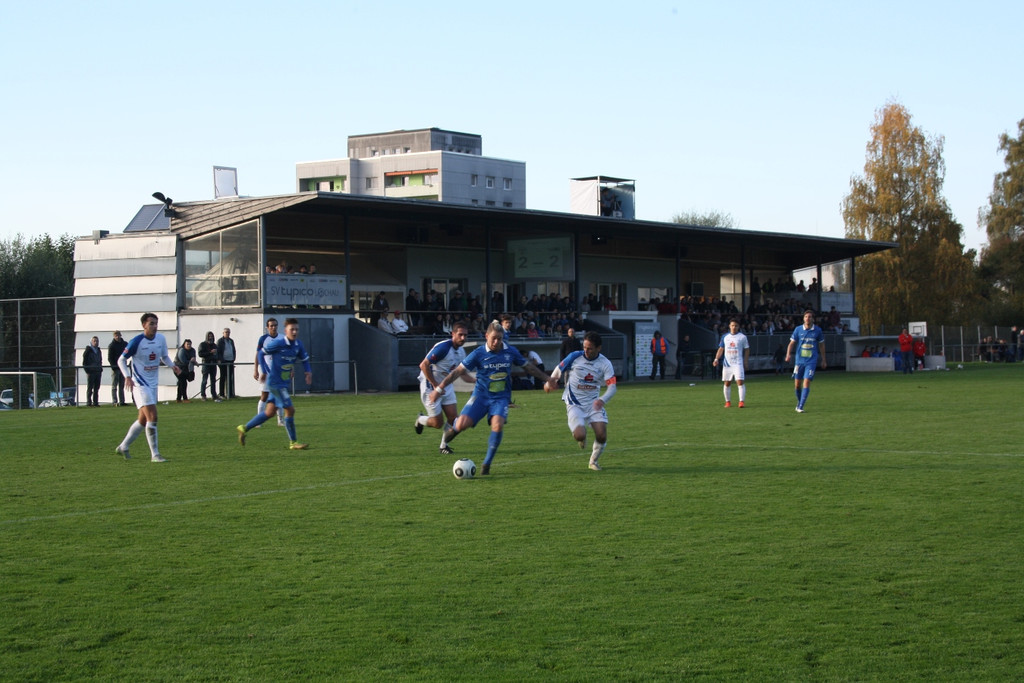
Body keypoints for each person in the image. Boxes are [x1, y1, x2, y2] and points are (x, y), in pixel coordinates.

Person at [428, 321, 552, 476]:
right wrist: (439, 389)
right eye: (494, 338)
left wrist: (547, 379)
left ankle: (486, 464)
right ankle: (453, 431)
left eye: (500, 339)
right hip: (480, 396)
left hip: (500, 398)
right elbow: (457, 372)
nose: (496, 342)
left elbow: (529, 367)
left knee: (497, 425)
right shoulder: (478, 353)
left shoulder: (510, 351)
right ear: (486, 336)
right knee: (461, 424)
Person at [545, 331, 617, 471]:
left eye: (590, 348)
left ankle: (593, 462)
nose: (586, 351)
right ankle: (581, 438)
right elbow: (559, 369)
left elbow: (612, 387)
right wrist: (550, 383)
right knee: (579, 435)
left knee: (602, 435)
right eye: (584, 347)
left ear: (598, 348)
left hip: (593, 404)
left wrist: (602, 400)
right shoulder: (575, 356)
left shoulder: (605, 363)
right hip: (574, 403)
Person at [237, 318, 312, 450]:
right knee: (290, 410)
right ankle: (293, 442)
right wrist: (264, 371)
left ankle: (244, 428)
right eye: (292, 329)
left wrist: (308, 371)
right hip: (275, 383)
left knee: (270, 412)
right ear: (286, 331)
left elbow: (305, 359)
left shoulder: (298, 344)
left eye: (296, 329)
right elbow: (261, 353)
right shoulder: (279, 343)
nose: (295, 332)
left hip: (282, 383)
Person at [115, 313, 181, 462]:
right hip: (140, 384)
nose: (155, 326)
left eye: (156, 323)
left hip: (152, 384)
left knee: (143, 420)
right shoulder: (136, 341)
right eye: (151, 323)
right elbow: (121, 360)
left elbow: (164, 356)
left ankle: (123, 446)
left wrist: (173, 366)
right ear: (144, 325)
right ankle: (155, 455)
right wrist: (127, 376)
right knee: (153, 416)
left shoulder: (161, 339)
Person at [414, 321, 469, 455]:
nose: (463, 338)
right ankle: (420, 420)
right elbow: (423, 365)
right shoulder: (443, 348)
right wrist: (435, 385)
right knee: (437, 423)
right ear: (453, 334)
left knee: (453, 418)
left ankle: (444, 446)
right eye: (460, 335)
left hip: (446, 386)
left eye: (465, 335)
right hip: (430, 386)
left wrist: (477, 381)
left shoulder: (461, 351)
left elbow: (462, 373)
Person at [785, 309, 827, 413]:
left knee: (807, 381)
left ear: (813, 319)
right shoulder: (798, 329)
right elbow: (791, 343)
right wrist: (788, 354)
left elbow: (821, 345)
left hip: (811, 361)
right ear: (803, 318)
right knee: (797, 384)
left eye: (810, 317)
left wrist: (823, 359)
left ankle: (801, 406)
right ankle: (799, 403)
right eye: (806, 317)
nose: (808, 318)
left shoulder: (817, 330)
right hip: (799, 361)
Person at [713, 319, 750, 408]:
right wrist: (716, 359)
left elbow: (747, 349)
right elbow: (721, 349)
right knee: (727, 383)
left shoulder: (742, 337)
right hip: (727, 364)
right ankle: (728, 402)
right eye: (732, 325)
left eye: (736, 326)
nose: (734, 327)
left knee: (740, 381)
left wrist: (745, 361)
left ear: (738, 327)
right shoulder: (725, 337)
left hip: (738, 363)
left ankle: (741, 402)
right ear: (729, 326)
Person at [254, 318, 284, 426]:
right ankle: (259, 422)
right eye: (271, 326)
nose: (274, 327)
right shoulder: (263, 339)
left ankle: (280, 421)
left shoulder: (282, 338)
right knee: (264, 396)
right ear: (267, 327)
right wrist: (256, 370)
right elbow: (258, 355)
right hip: (266, 372)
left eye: (275, 325)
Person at [107, 331, 128, 406]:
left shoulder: (124, 344)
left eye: (118, 335)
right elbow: (110, 358)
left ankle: (122, 401)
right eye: (116, 336)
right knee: (114, 386)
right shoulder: (111, 345)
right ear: (114, 336)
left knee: (121, 385)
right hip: (115, 368)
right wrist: (114, 367)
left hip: (123, 367)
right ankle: (114, 401)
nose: (118, 337)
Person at [198, 331, 219, 401]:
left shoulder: (214, 345)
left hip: (213, 364)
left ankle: (214, 395)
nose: (210, 337)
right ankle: (203, 395)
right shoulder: (202, 344)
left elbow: (217, 353)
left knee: (213, 380)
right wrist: (210, 352)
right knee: (204, 380)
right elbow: (200, 354)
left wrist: (217, 359)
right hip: (206, 364)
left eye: (212, 336)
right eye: (209, 336)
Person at [83, 336, 104, 406]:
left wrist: (100, 369)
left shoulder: (98, 350)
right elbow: (84, 362)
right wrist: (87, 371)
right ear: (91, 342)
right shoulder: (88, 351)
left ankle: (95, 402)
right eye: (94, 341)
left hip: (98, 371)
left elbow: (100, 360)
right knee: (90, 388)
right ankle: (89, 402)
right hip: (91, 372)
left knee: (96, 388)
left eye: (97, 341)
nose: (96, 342)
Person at [217, 327, 236, 399]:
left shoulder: (231, 341)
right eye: (226, 332)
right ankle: (222, 394)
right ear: (223, 333)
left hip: (230, 361)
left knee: (229, 378)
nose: (227, 333)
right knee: (223, 377)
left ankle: (230, 393)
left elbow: (233, 350)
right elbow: (218, 351)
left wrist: (233, 358)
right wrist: (220, 359)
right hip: (223, 361)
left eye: (228, 332)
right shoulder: (220, 341)